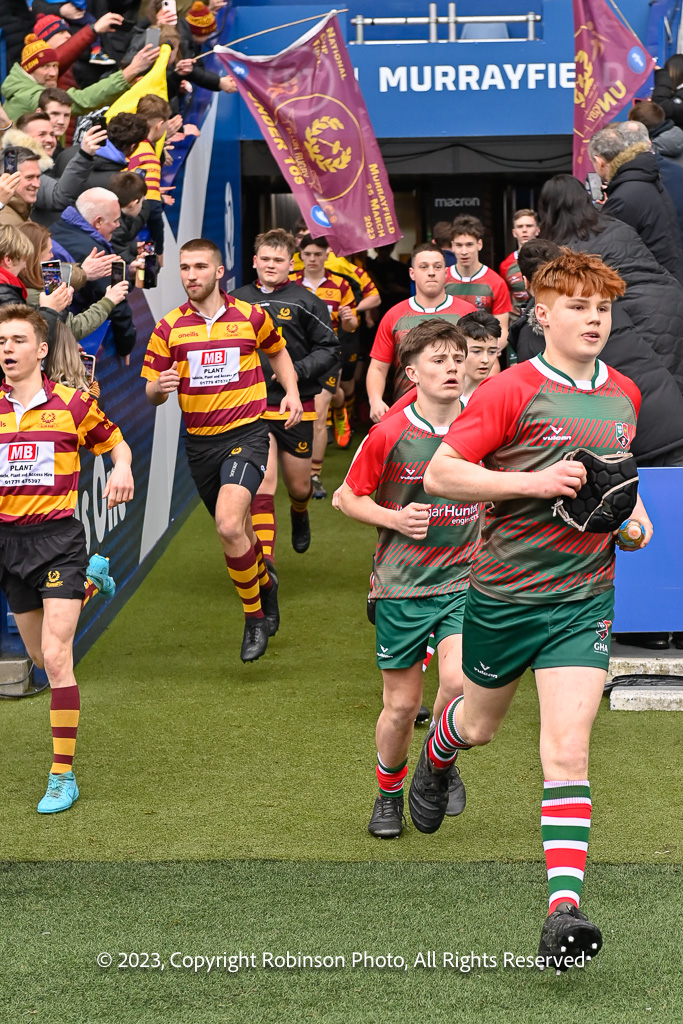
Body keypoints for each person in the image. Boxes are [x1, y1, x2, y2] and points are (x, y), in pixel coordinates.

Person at [409, 249, 652, 971]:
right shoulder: (510, 389)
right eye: (577, 307)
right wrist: (535, 483)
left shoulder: (625, 395)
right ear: (541, 316)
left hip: (583, 598)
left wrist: (632, 520)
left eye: (602, 308)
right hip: (504, 597)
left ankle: (562, 909)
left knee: (567, 749)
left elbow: (619, 483)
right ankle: (438, 755)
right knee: (478, 727)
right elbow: (440, 473)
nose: (593, 319)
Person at [336, 319, 481, 839]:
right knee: (400, 707)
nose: (452, 369)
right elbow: (346, 498)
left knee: (459, 683)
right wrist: (393, 518)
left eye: (457, 359)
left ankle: (438, 762)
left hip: (467, 579)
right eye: (438, 361)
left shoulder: (483, 426)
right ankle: (388, 794)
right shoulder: (390, 433)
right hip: (402, 584)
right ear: (412, 373)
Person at [141, 238, 303, 662]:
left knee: (229, 526)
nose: (190, 275)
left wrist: (292, 391)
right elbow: (151, 393)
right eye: (184, 268)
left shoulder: (251, 316)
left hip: (247, 435)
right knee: (241, 529)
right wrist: (159, 387)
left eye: (199, 267)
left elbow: (278, 352)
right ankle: (265, 583)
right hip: (200, 444)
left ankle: (254, 618)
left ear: (219, 272)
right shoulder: (169, 327)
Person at [0, 303, 133, 813]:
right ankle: (91, 584)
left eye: (17, 341)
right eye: (2, 342)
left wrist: (122, 468)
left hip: (57, 540)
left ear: (40, 350)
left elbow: (116, 444)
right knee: (38, 659)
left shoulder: (74, 405)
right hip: (9, 545)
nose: (7, 350)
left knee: (57, 659)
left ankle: (62, 775)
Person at [231, 229, 339, 566]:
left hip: (295, 404)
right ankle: (267, 568)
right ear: (254, 261)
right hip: (251, 406)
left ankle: (300, 511)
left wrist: (297, 370)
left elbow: (330, 348)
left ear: (291, 264)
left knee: (299, 487)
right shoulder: (235, 301)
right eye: (265, 259)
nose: (270, 265)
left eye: (278, 260)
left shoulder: (307, 301)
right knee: (263, 484)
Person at [537, 173, 683, 384]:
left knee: (646, 390)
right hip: (671, 301)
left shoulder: (568, 248)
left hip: (636, 314)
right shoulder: (616, 225)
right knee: (671, 387)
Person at [366, 243, 472, 421]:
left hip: (458, 412)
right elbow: (378, 367)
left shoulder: (468, 314)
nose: (431, 272)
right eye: (424, 267)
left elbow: (484, 362)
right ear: (412, 273)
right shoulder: (394, 315)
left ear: (446, 273)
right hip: (406, 413)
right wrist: (375, 400)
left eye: (437, 267)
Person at [290, 234, 358, 499]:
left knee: (318, 415)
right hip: (296, 357)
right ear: (301, 255)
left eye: (318, 254)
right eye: (308, 254)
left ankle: (314, 475)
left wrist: (349, 319)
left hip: (329, 354)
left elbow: (351, 326)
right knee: (328, 398)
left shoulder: (341, 285)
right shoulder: (291, 283)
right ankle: (340, 407)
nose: (312, 259)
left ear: (327, 255)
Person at [588, 124, 683, 285]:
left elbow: (609, 247)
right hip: (668, 276)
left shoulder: (624, 196)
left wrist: (605, 210)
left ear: (599, 161)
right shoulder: (646, 179)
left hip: (651, 284)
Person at [50, 187, 136, 359]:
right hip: (70, 336)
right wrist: (126, 345)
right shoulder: (95, 252)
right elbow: (116, 303)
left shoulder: (59, 226)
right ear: (98, 222)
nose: (118, 225)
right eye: (115, 221)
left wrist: (127, 271)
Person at [2, 35, 159, 123]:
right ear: (29, 70)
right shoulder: (29, 96)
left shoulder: (28, 86)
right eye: (45, 67)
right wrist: (131, 70)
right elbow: (82, 100)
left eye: (55, 66)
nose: (53, 73)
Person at [445, 215, 513, 344]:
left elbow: (502, 330)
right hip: (449, 349)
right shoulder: (442, 279)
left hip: (482, 350)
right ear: (452, 246)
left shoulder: (496, 283)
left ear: (479, 244)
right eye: (459, 245)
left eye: (469, 245)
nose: (464, 251)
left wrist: (488, 351)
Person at [499, 209, 540, 315]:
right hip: (517, 319)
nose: (524, 230)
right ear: (514, 232)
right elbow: (506, 301)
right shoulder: (506, 265)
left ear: (537, 230)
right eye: (520, 226)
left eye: (529, 226)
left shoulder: (548, 259)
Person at [458, 310, 502, 405]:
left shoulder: (500, 399)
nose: (485, 360)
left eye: (492, 352)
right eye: (477, 351)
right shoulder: (439, 395)